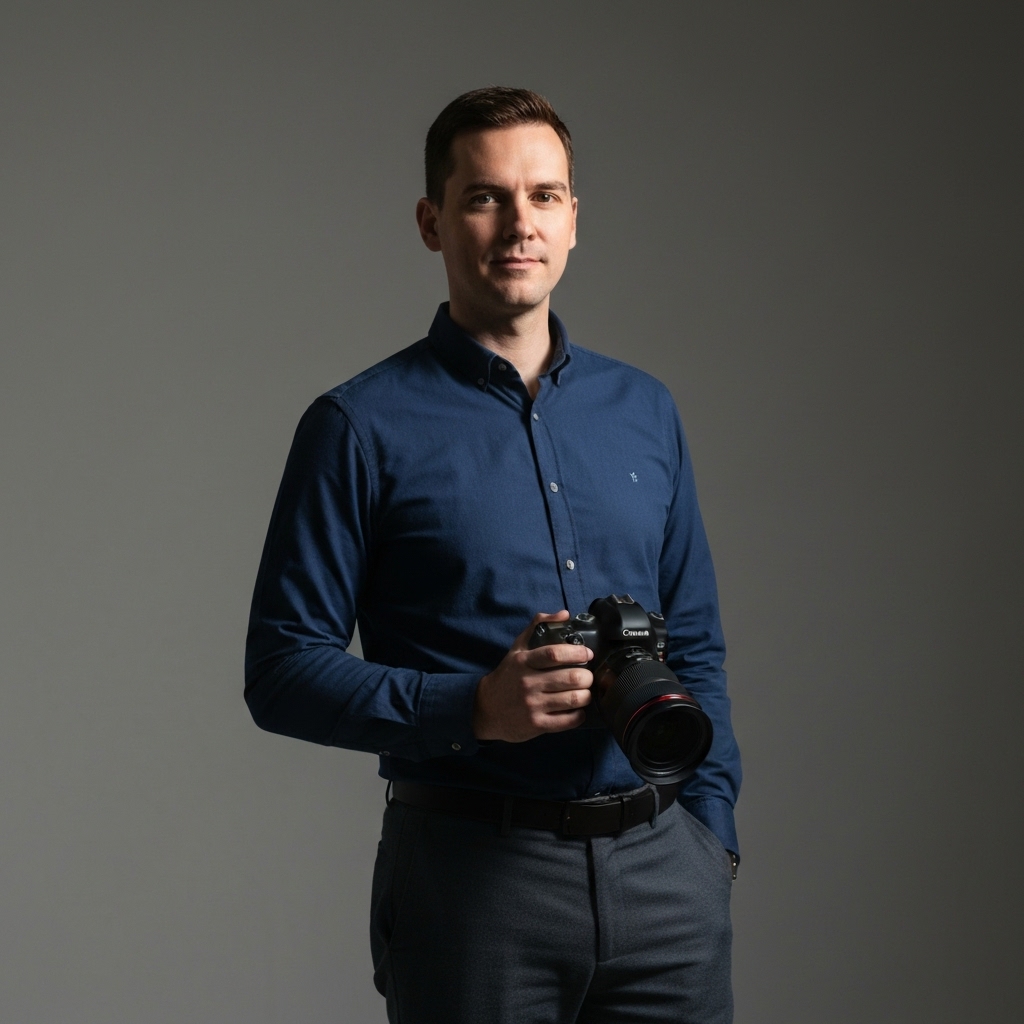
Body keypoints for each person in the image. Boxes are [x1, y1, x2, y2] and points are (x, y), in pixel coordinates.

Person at [245, 86, 741, 1024]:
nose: (520, 223)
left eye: (545, 195)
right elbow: (279, 670)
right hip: (474, 887)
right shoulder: (357, 426)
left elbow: (700, 646)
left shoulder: (646, 412)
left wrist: (709, 841)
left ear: (574, 218)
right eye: (485, 198)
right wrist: (472, 706)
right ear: (432, 222)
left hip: (666, 882)